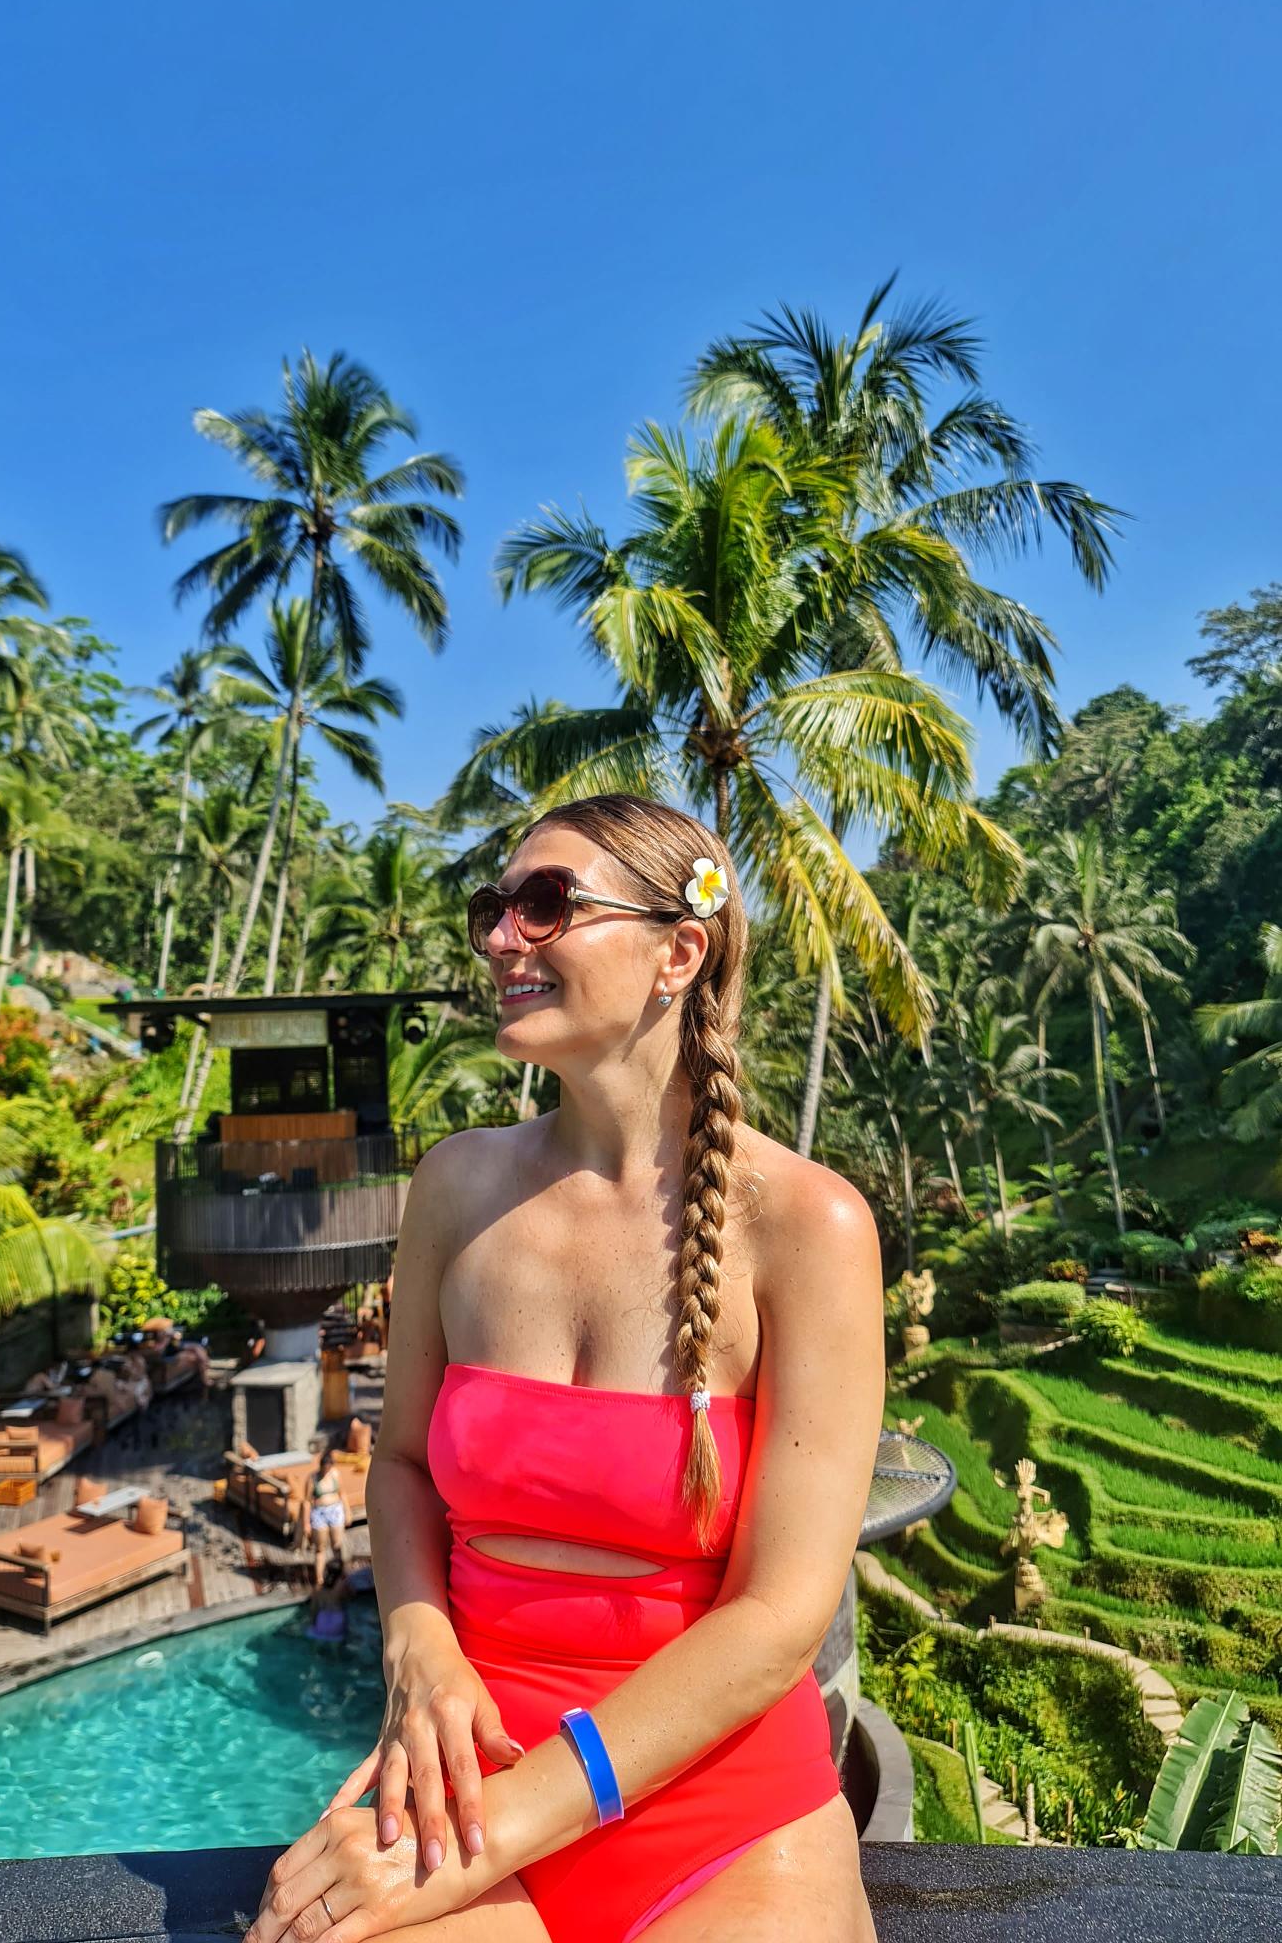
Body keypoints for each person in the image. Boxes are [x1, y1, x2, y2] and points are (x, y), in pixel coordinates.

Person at [248, 795, 884, 1943]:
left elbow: (783, 1613)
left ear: (678, 950)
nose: (501, 938)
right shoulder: (456, 1187)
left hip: (717, 1812)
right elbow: (396, 1467)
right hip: (462, 1785)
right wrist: (418, 1641)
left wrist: (503, 1824)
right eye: (496, 908)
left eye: (547, 905)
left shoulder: (807, 1226)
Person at [306, 1442, 348, 1589]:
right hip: (320, 1512)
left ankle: (340, 1574)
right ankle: (319, 1579)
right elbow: (307, 1501)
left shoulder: (335, 1474)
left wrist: (347, 1511)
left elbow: (342, 1493)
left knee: (337, 1544)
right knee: (320, 1547)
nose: (326, 1470)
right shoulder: (313, 1478)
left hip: (335, 1510)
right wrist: (306, 1523)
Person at [305, 1554, 351, 1642]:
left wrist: (313, 1622)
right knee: (336, 1651)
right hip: (337, 1619)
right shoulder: (342, 1585)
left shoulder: (318, 1588)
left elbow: (314, 1608)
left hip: (321, 1619)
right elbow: (350, 1597)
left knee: (318, 1648)